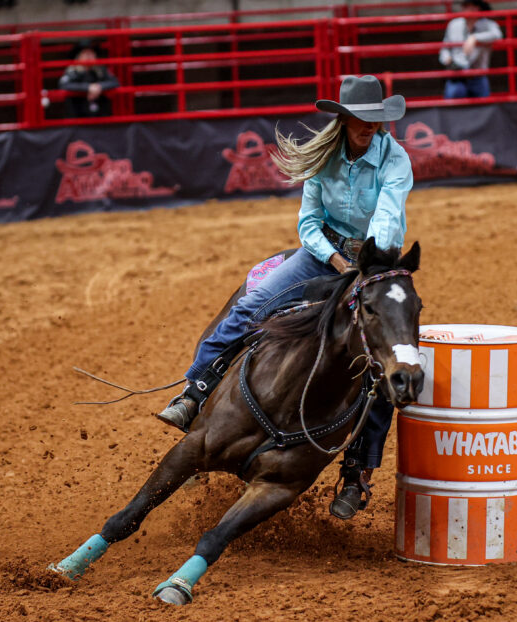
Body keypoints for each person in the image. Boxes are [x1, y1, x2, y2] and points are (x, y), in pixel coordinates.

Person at [157, 74, 414, 520]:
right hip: (322, 256)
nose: (370, 127)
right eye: (362, 119)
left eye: (377, 120)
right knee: (249, 308)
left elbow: (388, 218)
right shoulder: (322, 160)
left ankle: (356, 473)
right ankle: (195, 391)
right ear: (345, 119)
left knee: (380, 360)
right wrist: (335, 261)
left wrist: (365, 267)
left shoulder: (395, 159)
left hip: (373, 264)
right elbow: (308, 222)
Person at [439, 0, 503, 99]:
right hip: (457, 73)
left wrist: (475, 38)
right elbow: (444, 49)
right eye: (464, 5)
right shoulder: (454, 24)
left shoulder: (488, 25)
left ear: (478, 8)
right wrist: (447, 60)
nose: (465, 9)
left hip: (478, 74)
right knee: (452, 100)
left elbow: (498, 35)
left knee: (484, 105)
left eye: (469, 6)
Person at [57, 39, 119, 118]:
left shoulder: (100, 70)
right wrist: (88, 88)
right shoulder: (72, 71)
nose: (89, 56)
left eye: (91, 53)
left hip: (100, 116)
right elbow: (63, 85)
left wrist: (99, 86)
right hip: (77, 115)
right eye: (86, 53)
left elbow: (115, 82)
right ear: (79, 56)